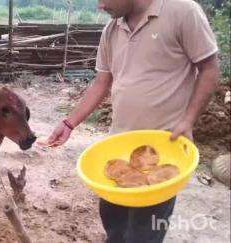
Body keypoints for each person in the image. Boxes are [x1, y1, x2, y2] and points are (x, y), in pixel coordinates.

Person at [46, 0, 221, 242]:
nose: (100, 5)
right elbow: (102, 82)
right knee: (113, 223)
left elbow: (210, 69)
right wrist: (69, 123)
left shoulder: (182, 11)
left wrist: (188, 120)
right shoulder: (111, 29)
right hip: (119, 151)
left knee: (143, 235)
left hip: (161, 155)